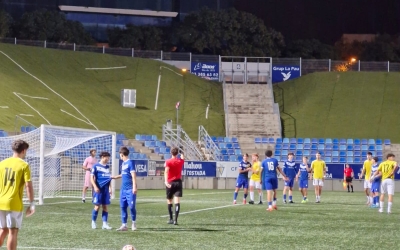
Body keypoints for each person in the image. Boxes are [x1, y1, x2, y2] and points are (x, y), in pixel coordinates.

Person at [0, 140, 35, 250]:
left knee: (3, 230)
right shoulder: (24, 165)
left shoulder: (2, 163)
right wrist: (32, 204)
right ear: (24, 151)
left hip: (1, 201)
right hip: (13, 203)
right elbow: (28, 186)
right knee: (13, 232)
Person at [113, 147, 137, 231]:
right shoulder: (123, 164)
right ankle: (124, 225)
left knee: (131, 207)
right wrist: (115, 177)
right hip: (123, 189)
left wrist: (134, 187)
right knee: (123, 207)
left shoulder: (130, 163)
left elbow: (133, 176)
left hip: (130, 189)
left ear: (122, 154)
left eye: (120, 154)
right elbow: (123, 174)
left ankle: (133, 223)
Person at [91, 151, 112, 230]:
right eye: (107, 157)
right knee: (97, 206)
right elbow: (91, 178)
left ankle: (105, 224)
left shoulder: (107, 167)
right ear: (103, 157)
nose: (108, 159)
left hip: (105, 190)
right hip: (98, 190)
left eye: (108, 158)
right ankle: (93, 222)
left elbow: (108, 178)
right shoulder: (95, 166)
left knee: (105, 207)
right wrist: (95, 187)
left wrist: (110, 188)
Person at [164, 147, 184, 225]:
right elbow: (183, 158)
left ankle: (171, 219)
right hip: (178, 182)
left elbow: (166, 172)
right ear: (177, 153)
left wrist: (165, 181)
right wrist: (182, 152)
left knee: (169, 200)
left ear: (171, 153)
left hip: (170, 182)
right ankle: (176, 220)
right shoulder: (180, 161)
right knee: (177, 201)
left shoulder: (168, 161)